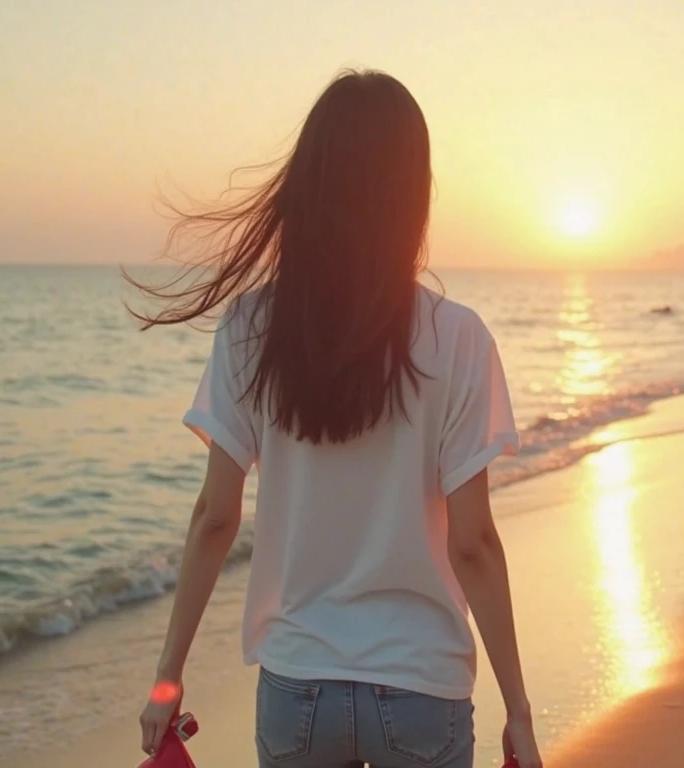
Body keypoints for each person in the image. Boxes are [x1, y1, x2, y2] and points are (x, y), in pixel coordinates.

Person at [130, 69, 543, 768]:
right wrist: (520, 712)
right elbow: (472, 544)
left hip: (298, 688)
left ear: (309, 186)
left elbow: (215, 518)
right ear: (415, 193)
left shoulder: (253, 326)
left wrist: (167, 681)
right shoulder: (458, 338)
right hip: (423, 690)